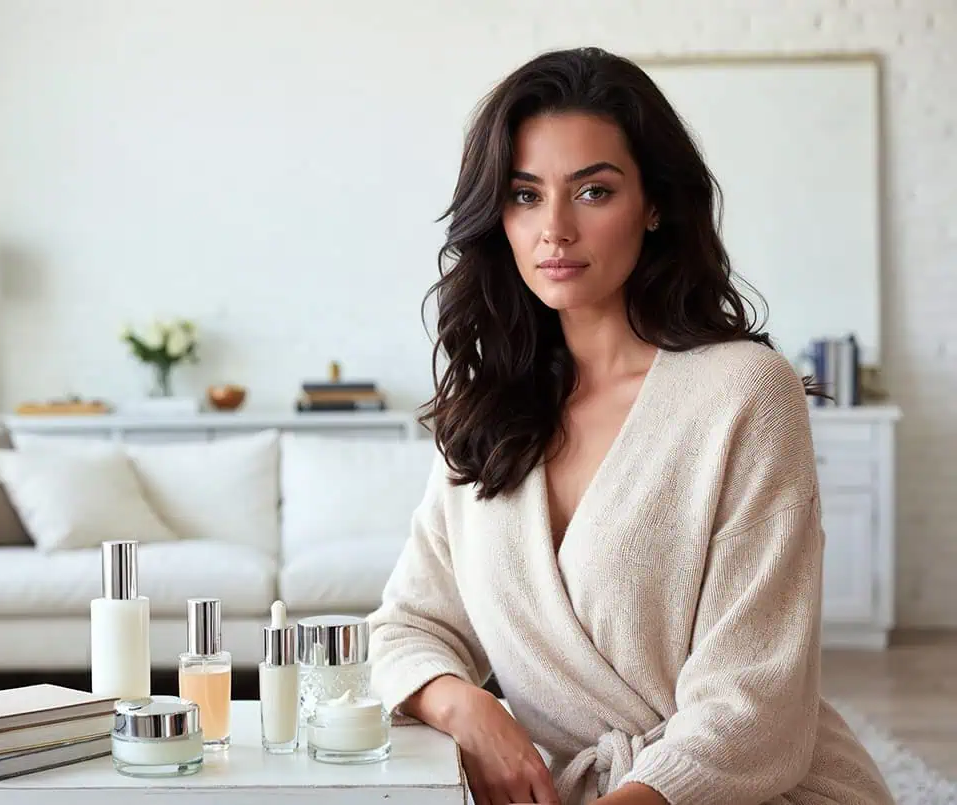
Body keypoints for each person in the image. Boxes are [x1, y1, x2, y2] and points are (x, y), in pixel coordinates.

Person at [366, 47, 894, 805]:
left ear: (653, 204)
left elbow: (754, 704)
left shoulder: (742, 393)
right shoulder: (489, 410)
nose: (554, 228)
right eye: (524, 195)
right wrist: (468, 706)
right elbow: (405, 627)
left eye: (593, 191)